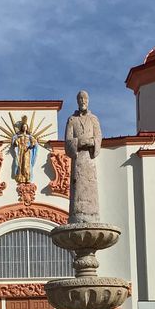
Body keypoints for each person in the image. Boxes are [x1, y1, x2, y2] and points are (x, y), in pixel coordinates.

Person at [64, 90, 102, 223]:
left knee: (91, 184)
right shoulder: (72, 120)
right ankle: (78, 212)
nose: (83, 101)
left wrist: (91, 142)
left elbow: (98, 138)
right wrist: (79, 142)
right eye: (80, 99)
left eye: (85, 98)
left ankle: (92, 213)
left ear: (88, 101)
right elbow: (68, 141)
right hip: (78, 158)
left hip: (89, 158)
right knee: (77, 187)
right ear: (77, 101)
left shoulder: (94, 119)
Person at [11, 116, 37, 183]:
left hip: (27, 150)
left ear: (27, 128)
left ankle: (27, 177)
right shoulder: (18, 136)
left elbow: (34, 142)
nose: (24, 127)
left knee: (26, 164)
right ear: (22, 128)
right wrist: (16, 142)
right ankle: (21, 177)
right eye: (23, 126)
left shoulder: (29, 136)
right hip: (20, 150)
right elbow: (15, 141)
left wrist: (31, 145)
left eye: (26, 126)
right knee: (18, 163)